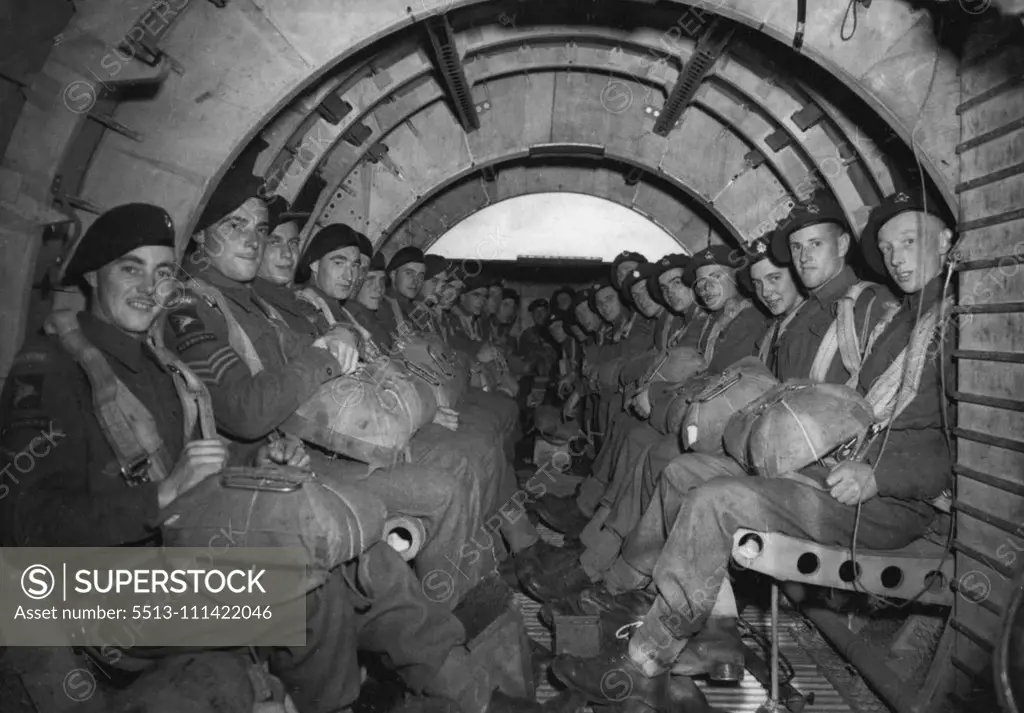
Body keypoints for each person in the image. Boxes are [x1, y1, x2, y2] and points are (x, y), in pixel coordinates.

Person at [0, 202, 497, 713]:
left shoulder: (160, 363)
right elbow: (25, 524)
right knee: (310, 591)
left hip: (182, 552)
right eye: (131, 269)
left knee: (368, 560)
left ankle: (468, 697)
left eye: (163, 272)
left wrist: (263, 465)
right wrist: (161, 495)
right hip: (100, 590)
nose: (150, 287)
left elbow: (208, 469)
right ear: (91, 275)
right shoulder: (48, 372)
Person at [550, 188, 957, 710]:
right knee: (683, 473)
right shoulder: (895, 317)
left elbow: (960, 443)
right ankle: (708, 628)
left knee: (715, 499)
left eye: (910, 240)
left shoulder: (947, 325)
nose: (899, 255)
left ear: (945, 241)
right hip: (825, 469)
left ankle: (645, 661)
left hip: (880, 501)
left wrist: (882, 476)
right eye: (889, 244)